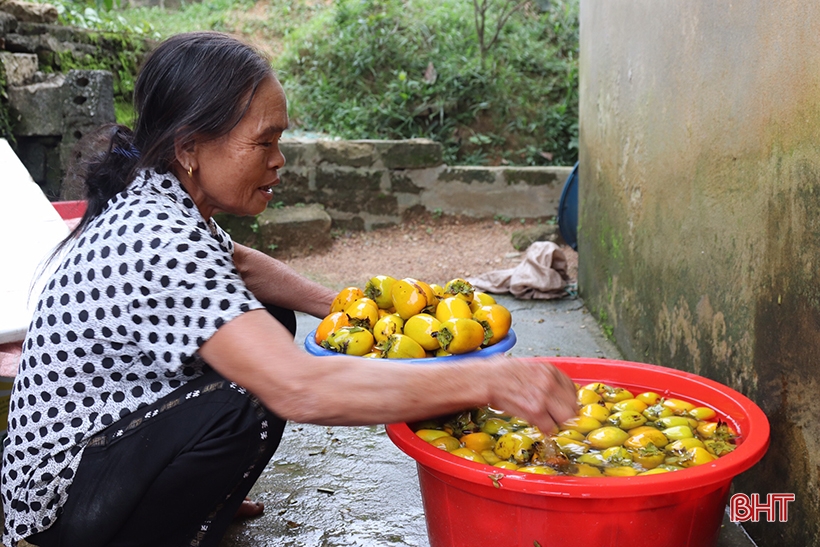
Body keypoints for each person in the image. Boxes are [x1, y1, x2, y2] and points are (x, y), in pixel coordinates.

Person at [1, 31, 578, 547]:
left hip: (100, 452)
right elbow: (300, 390)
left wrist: (356, 311)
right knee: (249, 398)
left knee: (270, 319)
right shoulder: (157, 238)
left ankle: (202, 499)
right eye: (264, 142)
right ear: (189, 148)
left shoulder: (163, 195)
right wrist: (489, 379)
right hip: (59, 506)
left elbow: (241, 266)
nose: (280, 162)